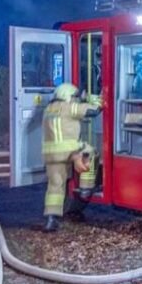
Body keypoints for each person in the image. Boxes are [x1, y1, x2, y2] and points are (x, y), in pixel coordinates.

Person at [42, 83, 102, 232]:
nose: (76, 99)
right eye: (74, 96)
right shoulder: (69, 107)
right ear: (68, 96)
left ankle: (51, 219)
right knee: (91, 152)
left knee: (55, 186)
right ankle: (85, 189)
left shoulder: (48, 109)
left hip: (51, 154)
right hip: (71, 150)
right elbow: (94, 111)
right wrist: (96, 99)